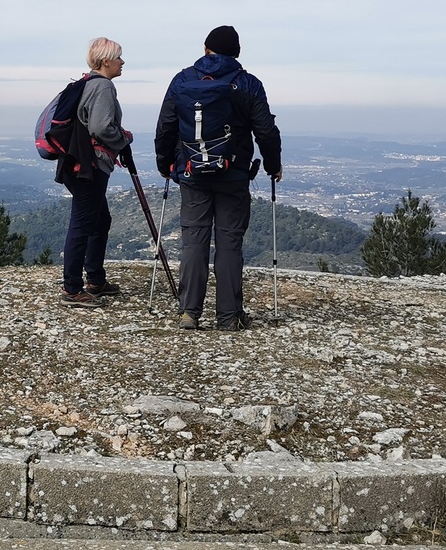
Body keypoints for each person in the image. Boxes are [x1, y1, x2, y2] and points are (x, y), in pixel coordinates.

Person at [154, 25, 282, 331]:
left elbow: (166, 126)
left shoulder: (183, 80)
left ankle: (189, 313)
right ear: (236, 53)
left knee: (193, 241)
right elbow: (265, 130)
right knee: (229, 244)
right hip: (233, 174)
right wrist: (273, 165)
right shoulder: (248, 83)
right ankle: (228, 317)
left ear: (205, 49)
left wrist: (165, 164)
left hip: (191, 172)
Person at [59, 37, 133, 308]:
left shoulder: (86, 83)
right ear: (106, 61)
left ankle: (95, 279)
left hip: (76, 163)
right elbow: (101, 128)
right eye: (119, 57)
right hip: (90, 166)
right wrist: (123, 138)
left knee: (100, 220)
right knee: (83, 223)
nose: (122, 62)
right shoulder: (103, 87)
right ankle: (72, 289)